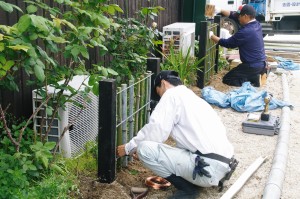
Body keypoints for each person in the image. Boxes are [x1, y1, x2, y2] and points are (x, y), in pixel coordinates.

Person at [117, 70, 237, 199]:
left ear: (163, 83)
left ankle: (187, 190)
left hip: (207, 169)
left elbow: (155, 132)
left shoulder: (171, 96)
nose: (160, 97)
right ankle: (195, 181)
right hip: (224, 167)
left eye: (158, 92)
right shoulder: (194, 99)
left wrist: (129, 147)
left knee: (145, 149)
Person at [209, 4, 267, 87]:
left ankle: (253, 81)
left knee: (228, 79)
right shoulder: (256, 24)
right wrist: (220, 10)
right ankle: (256, 76)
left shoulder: (246, 31)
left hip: (251, 65)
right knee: (237, 74)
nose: (238, 18)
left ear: (246, 16)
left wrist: (211, 36)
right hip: (261, 64)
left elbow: (228, 43)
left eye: (240, 16)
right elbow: (233, 15)